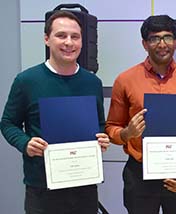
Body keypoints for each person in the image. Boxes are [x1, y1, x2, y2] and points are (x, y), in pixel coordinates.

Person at [0, 11, 110, 214]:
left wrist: (102, 139)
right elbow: (7, 123)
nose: (69, 42)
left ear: (82, 41)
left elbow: (100, 126)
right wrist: (25, 143)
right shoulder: (27, 81)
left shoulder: (92, 82)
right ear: (46, 39)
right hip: (42, 188)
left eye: (75, 37)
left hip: (84, 185)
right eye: (61, 35)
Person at [105, 15, 176, 214]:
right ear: (144, 44)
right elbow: (111, 127)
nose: (162, 44)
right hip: (139, 175)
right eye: (154, 39)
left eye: (168, 37)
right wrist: (127, 133)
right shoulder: (125, 80)